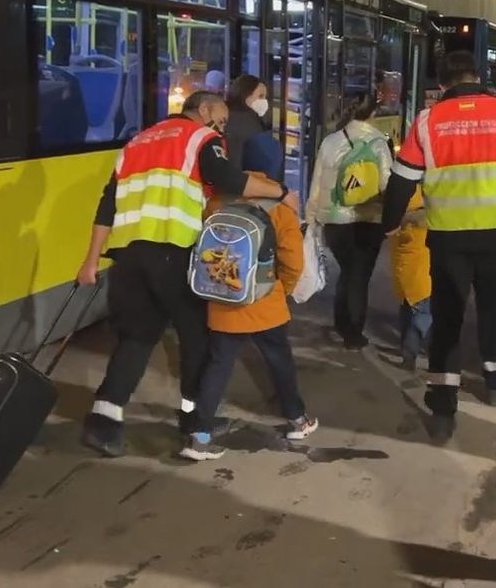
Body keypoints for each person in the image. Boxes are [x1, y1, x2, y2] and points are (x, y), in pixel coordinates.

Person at [76, 91, 295, 457]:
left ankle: (104, 421)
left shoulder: (138, 142)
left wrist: (90, 261)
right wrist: (281, 191)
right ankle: (195, 422)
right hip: (175, 252)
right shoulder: (199, 138)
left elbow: (107, 205)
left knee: (136, 337)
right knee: (197, 336)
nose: (221, 129)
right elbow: (232, 181)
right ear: (204, 109)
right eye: (220, 120)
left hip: (128, 256)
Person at [381, 50, 496, 441]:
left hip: (448, 237)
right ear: (477, 76)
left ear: (441, 84)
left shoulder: (427, 121)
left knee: (447, 318)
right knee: (493, 310)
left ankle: (442, 408)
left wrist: (389, 223)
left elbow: (402, 180)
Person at [179, 152, 317, 461]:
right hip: (265, 302)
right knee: (279, 362)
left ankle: (199, 438)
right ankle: (298, 421)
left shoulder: (216, 202)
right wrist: (282, 290)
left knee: (217, 366)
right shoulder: (279, 206)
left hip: (223, 301)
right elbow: (292, 260)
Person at [306, 93, 394, 349]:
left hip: (334, 220)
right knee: (359, 276)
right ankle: (354, 333)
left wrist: (312, 216)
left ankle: (341, 321)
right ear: (373, 114)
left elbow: (317, 182)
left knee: (348, 270)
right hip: (367, 219)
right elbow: (387, 184)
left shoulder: (331, 141)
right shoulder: (379, 143)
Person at [390, 188, 431, 371]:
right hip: (420, 272)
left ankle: (407, 354)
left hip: (405, 272)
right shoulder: (417, 219)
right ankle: (421, 356)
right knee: (423, 316)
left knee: (408, 310)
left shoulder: (395, 210)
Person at [222, 74, 270, 169]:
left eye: (265, 97)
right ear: (246, 95)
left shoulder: (225, 114)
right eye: (260, 96)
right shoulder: (248, 121)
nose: (264, 101)